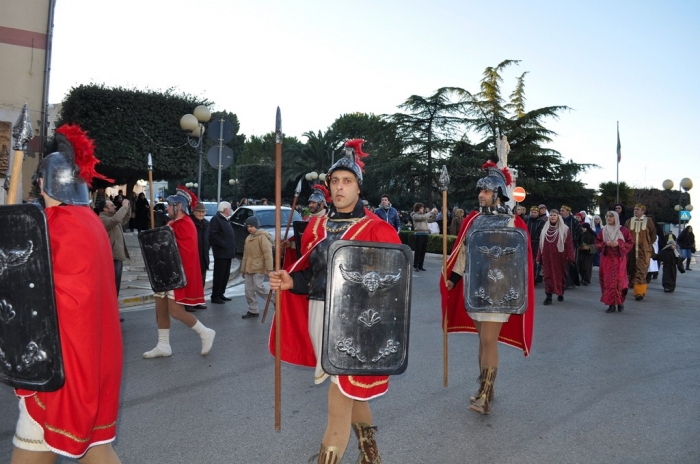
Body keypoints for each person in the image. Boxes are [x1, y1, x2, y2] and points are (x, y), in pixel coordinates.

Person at [268, 139, 400, 463]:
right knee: (351, 391)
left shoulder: (377, 229)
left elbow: (391, 288)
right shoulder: (316, 226)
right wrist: (290, 281)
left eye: (347, 181)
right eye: (335, 181)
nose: (340, 187)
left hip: (356, 323)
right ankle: (371, 455)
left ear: (358, 187)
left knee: (339, 398)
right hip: (319, 314)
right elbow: (313, 277)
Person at [11, 124, 122, 462]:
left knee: (36, 443)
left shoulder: (52, 225)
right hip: (93, 355)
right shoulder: (88, 222)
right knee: (96, 449)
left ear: (43, 183)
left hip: (61, 363)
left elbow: (30, 295)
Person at [440, 161, 535, 416]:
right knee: (482, 341)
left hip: (500, 291)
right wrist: (453, 280)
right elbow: (463, 255)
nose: (481, 195)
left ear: (497, 194)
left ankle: (485, 395)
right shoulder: (474, 221)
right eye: (480, 191)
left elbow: (520, 259)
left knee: (489, 340)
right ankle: (485, 386)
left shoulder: (512, 223)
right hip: (477, 290)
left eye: (486, 192)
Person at [143, 187, 215, 359]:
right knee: (160, 309)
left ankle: (205, 332)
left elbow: (184, 252)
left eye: (169, 205)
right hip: (164, 272)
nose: (167, 208)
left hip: (175, 274)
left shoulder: (186, 225)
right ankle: (163, 345)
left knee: (175, 311)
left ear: (179, 206)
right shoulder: (172, 224)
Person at [595, 210, 633, 312]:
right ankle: (611, 304)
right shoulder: (603, 230)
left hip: (619, 259)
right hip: (607, 260)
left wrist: (619, 244)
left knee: (619, 282)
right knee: (608, 282)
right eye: (607, 216)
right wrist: (606, 243)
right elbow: (597, 244)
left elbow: (630, 243)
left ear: (615, 218)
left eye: (611, 216)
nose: (608, 218)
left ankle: (620, 302)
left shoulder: (623, 230)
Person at [537, 209, 575, 305]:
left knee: (560, 276)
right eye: (551, 215)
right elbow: (540, 244)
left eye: (554, 215)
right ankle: (548, 296)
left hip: (560, 258)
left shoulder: (565, 229)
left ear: (558, 217)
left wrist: (571, 257)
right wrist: (538, 257)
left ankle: (560, 292)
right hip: (547, 257)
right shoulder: (545, 229)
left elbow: (569, 244)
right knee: (547, 276)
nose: (552, 217)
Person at [240, 216, 273, 319]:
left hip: (259, 267)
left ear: (256, 226)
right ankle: (253, 310)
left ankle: (276, 300)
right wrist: (243, 269)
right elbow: (245, 255)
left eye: (252, 226)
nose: (249, 228)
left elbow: (267, 254)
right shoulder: (248, 238)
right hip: (249, 267)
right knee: (248, 290)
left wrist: (269, 269)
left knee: (258, 287)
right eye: (248, 226)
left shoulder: (262, 237)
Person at [98, 198, 131, 297]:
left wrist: (128, 207)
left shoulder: (113, 217)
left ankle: (114, 302)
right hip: (111, 256)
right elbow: (117, 219)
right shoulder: (103, 219)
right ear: (105, 209)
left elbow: (124, 218)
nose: (115, 206)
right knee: (112, 282)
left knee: (117, 281)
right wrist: (124, 207)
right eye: (112, 205)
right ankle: (111, 301)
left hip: (116, 255)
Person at [624, 204, 657, 301]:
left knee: (642, 270)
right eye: (634, 209)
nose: (635, 211)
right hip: (631, 250)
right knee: (631, 269)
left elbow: (653, 235)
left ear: (643, 211)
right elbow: (625, 234)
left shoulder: (649, 221)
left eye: (638, 209)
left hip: (644, 251)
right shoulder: (629, 221)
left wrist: (647, 244)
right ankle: (632, 283)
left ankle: (639, 292)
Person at [208, 201, 236, 304]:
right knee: (219, 275)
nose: (231, 210)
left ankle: (221, 294)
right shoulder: (216, 219)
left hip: (227, 253)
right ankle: (215, 295)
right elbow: (213, 235)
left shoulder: (225, 219)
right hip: (221, 253)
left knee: (225, 275)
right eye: (229, 208)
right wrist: (224, 244)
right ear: (225, 210)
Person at [187, 201, 210, 311]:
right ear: (194, 212)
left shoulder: (206, 223)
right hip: (193, 257)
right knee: (192, 282)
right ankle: (188, 303)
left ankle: (198, 301)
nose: (201, 214)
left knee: (201, 281)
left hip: (203, 256)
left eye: (203, 212)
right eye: (199, 212)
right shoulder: (190, 222)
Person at [560, 205, 582, 288]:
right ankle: (563, 281)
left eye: (563, 210)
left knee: (572, 262)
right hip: (561, 244)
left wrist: (577, 243)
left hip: (572, 244)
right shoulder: (560, 221)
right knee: (562, 262)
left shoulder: (574, 221)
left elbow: (580, 233)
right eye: (560, 210)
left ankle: (572, 281)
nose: (561, 212)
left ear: (568, 211)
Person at [411, 203, 436, 271]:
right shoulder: (415, 215)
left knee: (423, 251)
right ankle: (415, 264)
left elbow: (430, 220)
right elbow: (423, 218)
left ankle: (420, 265)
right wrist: (431, 212)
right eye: (421, 208)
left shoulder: (423, 215)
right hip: (419, 234)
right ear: (418, 208)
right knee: (418, 250)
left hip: (425, 233)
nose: (422, 209)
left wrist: (433, 214)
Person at [526, 206, 545, 284]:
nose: (533, 214)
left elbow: (543, 233)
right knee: (527, 260)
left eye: (535, 212)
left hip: (537, 243)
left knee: (536, 261)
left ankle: (535, 278)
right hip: (527, 242)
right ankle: (527, 277)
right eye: (532, 212)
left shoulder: (541, 222)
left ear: (538, 213)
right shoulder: (526, 220)